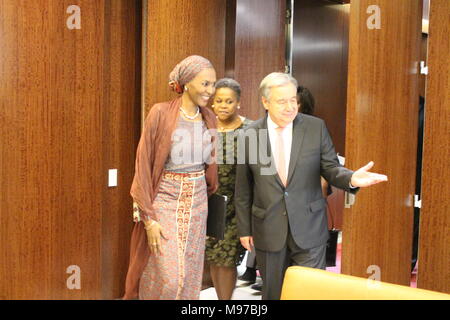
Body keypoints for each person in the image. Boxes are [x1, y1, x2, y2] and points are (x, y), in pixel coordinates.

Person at [235, 72, 388, 300]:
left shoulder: (315, 128)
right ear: (265, 102)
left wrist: (351, 179)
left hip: (309, 226)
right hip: (268, 227)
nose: (289, 107)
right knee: (274, 293)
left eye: (292, 100)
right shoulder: (250, 135)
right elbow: (243, 188)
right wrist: (245, 229)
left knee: (310, 293)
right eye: (281, 101)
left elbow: (331, 167)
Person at [122, 55, 218, 300]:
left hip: (197, 204)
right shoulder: (161, 113)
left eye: (213, 84)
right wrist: (149, 219)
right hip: (164, 201)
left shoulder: (209, 118)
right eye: (205, 83)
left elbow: (210, 167)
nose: (211, 90)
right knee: (169, 276)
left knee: (190, 274)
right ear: (186, 83)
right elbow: (143, 164)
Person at [204, 78, 252, 300]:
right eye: (219, 100)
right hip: (208, 202)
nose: (223, 105)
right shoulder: (205, 126)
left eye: (229, 101)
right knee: (214, 257)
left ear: (238, 103)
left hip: (237, 204)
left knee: (227, 259)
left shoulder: (250, 129)